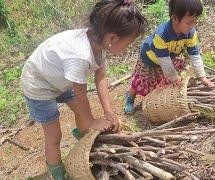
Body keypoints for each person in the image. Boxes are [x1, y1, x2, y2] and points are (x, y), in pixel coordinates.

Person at [20, 0, 147, 179]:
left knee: (83, 114)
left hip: (61, 78)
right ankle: (57, 172)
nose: (128, 47)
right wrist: (91, 122)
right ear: (112, 38)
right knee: (54, 136)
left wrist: (108, 111)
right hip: (39, 85)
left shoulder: (99, 43)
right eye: (128, 43)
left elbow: (100, 77)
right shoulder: (79, 55)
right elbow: (80, 95)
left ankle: (85, 142)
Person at [124, 0, 214, 114]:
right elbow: (164, 60)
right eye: (189, 22)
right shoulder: (161, 35)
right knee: (142, 82)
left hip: (168, 58)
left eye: (195, 22)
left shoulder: (190, 34)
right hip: (150, 58)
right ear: (175, 18)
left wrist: (202, 77)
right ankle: (130, 98)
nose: (193, 26)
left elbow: (194, 55)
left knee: (164, 80)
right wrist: (173, 76)